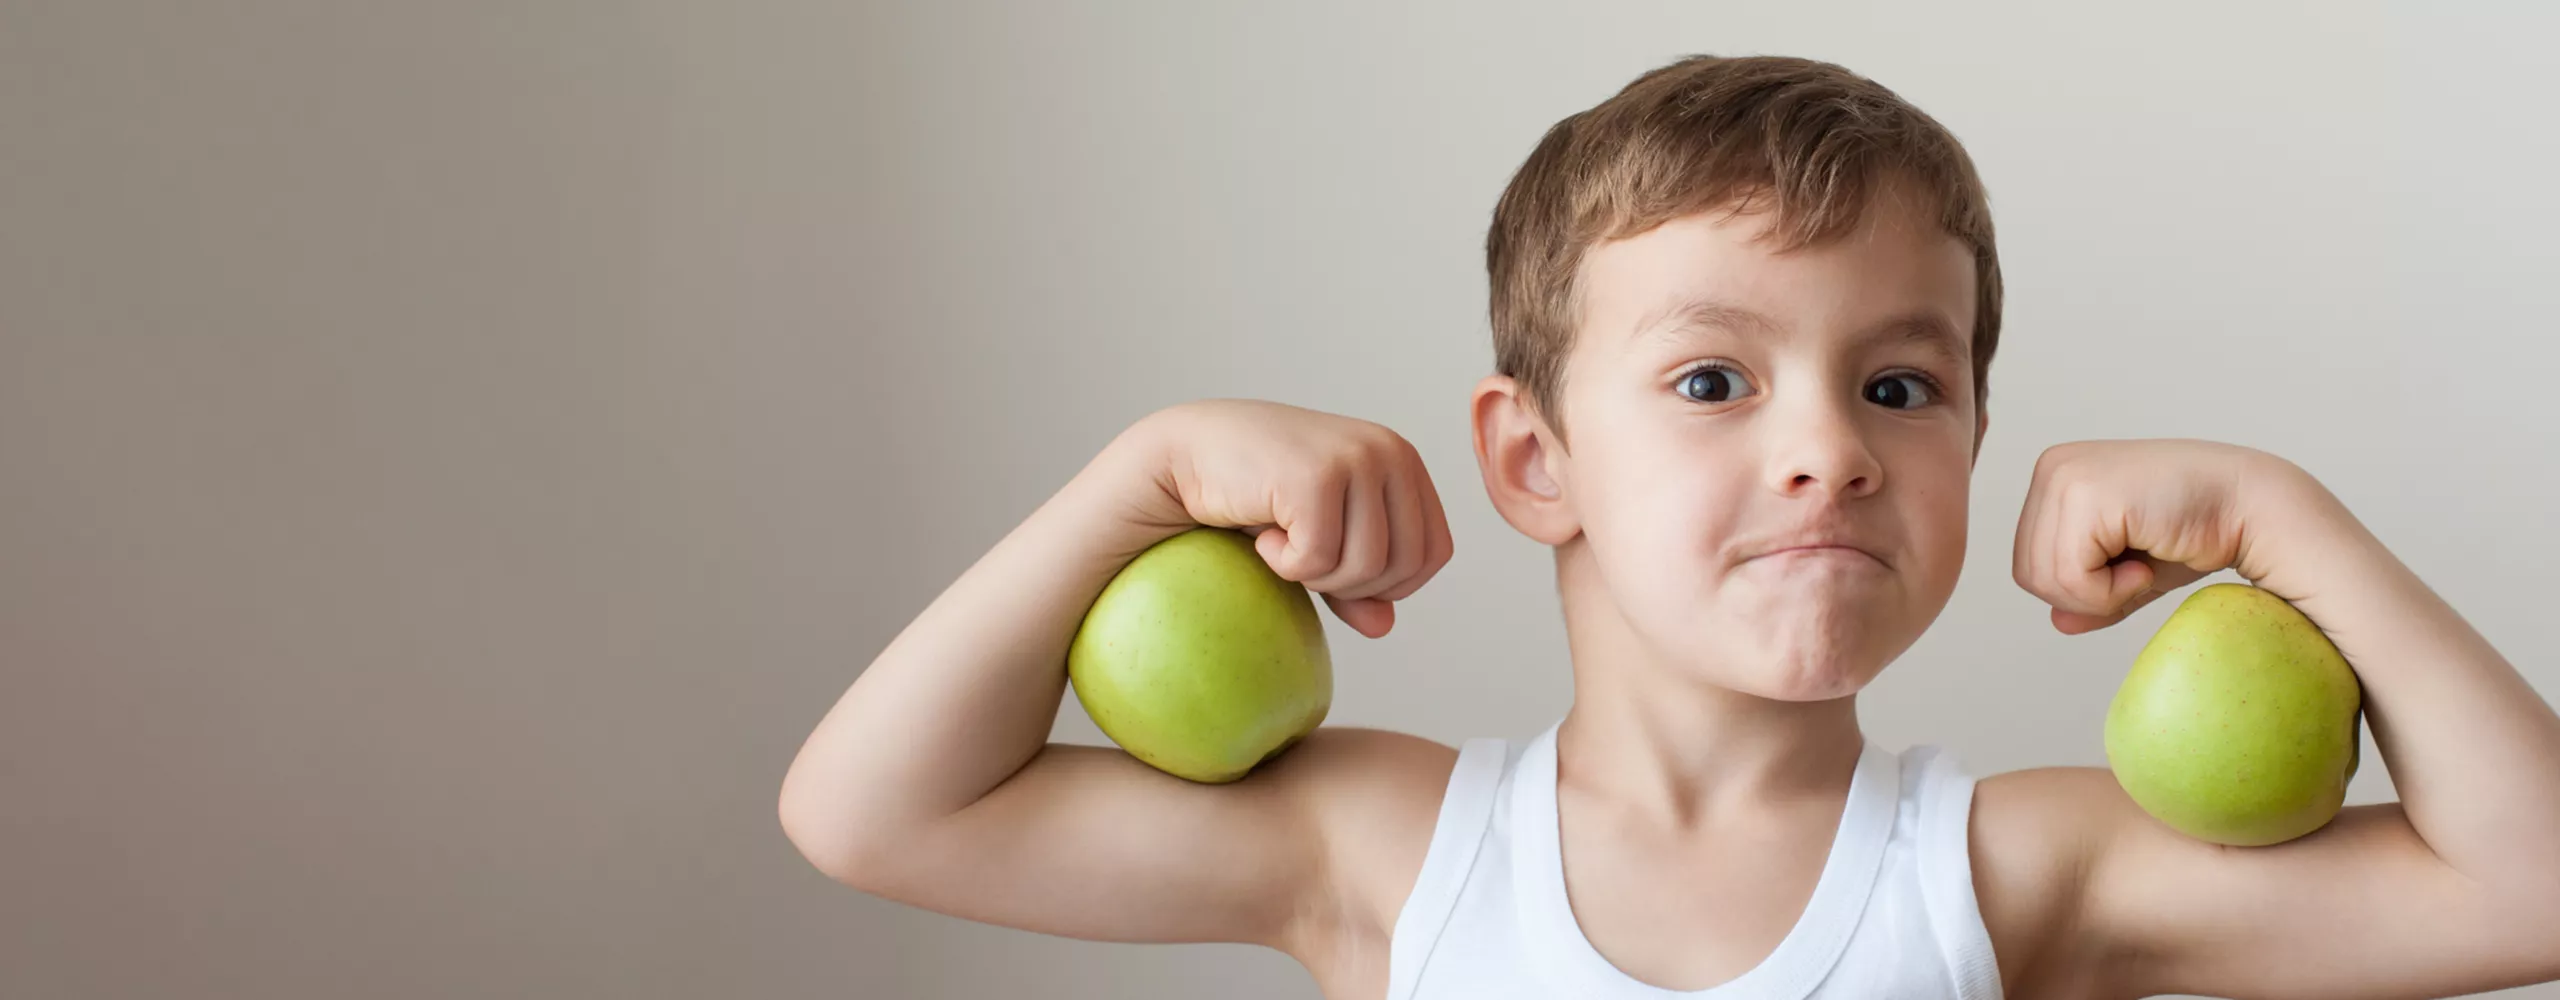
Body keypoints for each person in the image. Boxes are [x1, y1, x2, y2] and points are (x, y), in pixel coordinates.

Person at [778, 55, 2560, 998]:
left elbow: (2529, 891)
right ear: (1535, 459)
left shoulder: (2021, 875)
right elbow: (873, 810)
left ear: (1972, 445)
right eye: (1714, 382)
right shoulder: (1392, 850)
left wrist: (2283, 520)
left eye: (1898, 387)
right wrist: (1142, 477)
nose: (1831, 453)